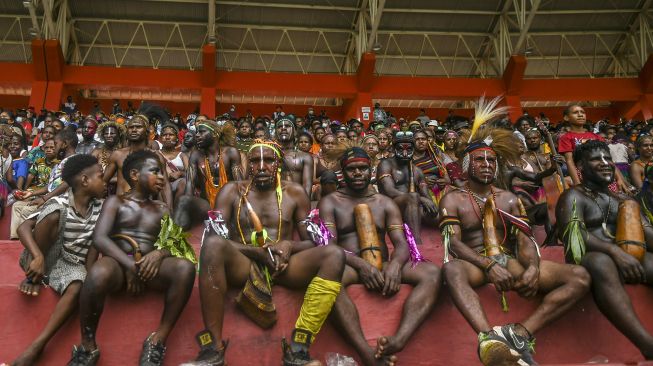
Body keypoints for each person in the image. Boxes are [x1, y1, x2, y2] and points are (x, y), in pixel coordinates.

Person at [182, 140, 344, 366]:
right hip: (245, 263)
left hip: (282, 266)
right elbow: (213, 238)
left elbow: (314, 242)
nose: (261, 166)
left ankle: (298, 349)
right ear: (248, 165)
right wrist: (256, 253)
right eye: (255, 161)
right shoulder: (231, 191)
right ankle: (213, 350)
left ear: (278, 163)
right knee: (213, 247)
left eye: (268, 160)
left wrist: (289, 246)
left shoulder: (295, 192)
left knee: (334, 255)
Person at [440, 133, 590, 366]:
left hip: (509, 260)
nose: (487, 165)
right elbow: (454, 243)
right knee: (451, 270)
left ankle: (519, 334)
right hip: (475, 264)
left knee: (579, 277)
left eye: (491, 161)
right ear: (467, 164)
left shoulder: (509, 199)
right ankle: (489, 340)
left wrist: (532, 267)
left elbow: (523, 238)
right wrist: (488, 265)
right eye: (480, 160)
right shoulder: (452, 199)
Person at [68, 150, 197, 365]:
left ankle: (157, 340)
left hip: (151, 268)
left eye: (163, 172)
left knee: (185, 268)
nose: (163, 178)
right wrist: (131, 266)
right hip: (120, 265)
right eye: (156, 171)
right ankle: (87, 346)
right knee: (99, 272)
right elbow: (100, 238)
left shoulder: (163, 209)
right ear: (135, 175)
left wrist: (159, 254)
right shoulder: (116, 202)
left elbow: (175, 243)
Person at [318, 146, 441, 366]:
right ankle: (366, 352)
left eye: (363, 168)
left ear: (371, 171)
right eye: (352, 169)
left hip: (383, 263)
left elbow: (401, 243)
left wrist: (394, 264)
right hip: (349, 264)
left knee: (431, 273)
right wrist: (361, 266)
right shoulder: (330, 202)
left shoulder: (385, 202)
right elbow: (330, 246)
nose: (358, 173)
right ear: (343, 172)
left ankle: (398, 340)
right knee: (327, 282)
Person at [558, 140, 653, 360]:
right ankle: (648, 345)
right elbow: (575, 235)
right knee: (601, 262)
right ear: (580, 166)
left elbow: (647, 234)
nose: (605, 163)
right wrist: (615, 253)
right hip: (590, 259)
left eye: (607, 158)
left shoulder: (622, 199)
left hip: (628, 258)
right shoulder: (574, 196)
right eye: (596, 159)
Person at [12, 155, 105, 366]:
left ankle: (37, 346)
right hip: (45, 255)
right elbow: (23, 227)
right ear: (84, 180)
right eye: (101, 176)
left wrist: (91, 281)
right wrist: (37, 256)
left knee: (79, 284)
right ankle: (34, 275)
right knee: (54, 213)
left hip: (72, 264)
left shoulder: (100, 207)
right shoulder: (60, 202)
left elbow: (94, 247)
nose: (106, 181)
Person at [376, 132, 437, 246]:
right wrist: (421, 199)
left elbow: (426, 197)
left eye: (409, 150)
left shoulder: (417, 170)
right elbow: (389, 191)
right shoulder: (386, 164)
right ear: (394, 149)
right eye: (400, 149)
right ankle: (416, 243)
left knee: (440, 215)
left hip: (414, 208)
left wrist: (431, 206)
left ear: (413, 149)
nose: (405, 153)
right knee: (413, 197)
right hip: (390, 207)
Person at [102, 114, 173, 207]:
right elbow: (103, 182)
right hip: (121, 207)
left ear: (147, 131)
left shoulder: (156, 156)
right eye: (131, 127)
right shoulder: (118, 155)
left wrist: (170, 211)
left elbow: (165, 186)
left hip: (146, 208)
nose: (134, 130)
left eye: (138, 127)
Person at [10, 139, 58, 239]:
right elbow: (31, 176)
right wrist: (24, 191)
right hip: (36, 190)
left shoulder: (59, 164)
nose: (49, 150)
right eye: (46, 148)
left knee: (26, 210)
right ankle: (14, 237)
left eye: (52, 148)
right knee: (16, 205)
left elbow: (52, 188)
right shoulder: (39, 161)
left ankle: (25, 239)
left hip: (49, 195)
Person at [275, 116, 314, 196]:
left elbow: (307, 186)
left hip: (297, 200)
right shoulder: (270, 155)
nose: (283, 128)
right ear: (275, 132)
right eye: (279, 127)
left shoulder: (305, 157)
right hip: (274, 201)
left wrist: (302, 206)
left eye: (287, 126)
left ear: (295, 132)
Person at [157, 123, 188, 199]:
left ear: (177, 138)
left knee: (184, 183)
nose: (167, 137)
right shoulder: (155, 153)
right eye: (164, 135)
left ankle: (177, 209)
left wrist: (180, 173)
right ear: (160, 138)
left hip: (178, 185)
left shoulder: (182, 155)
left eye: (171, 135)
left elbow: (190, 173)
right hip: (160, 185)